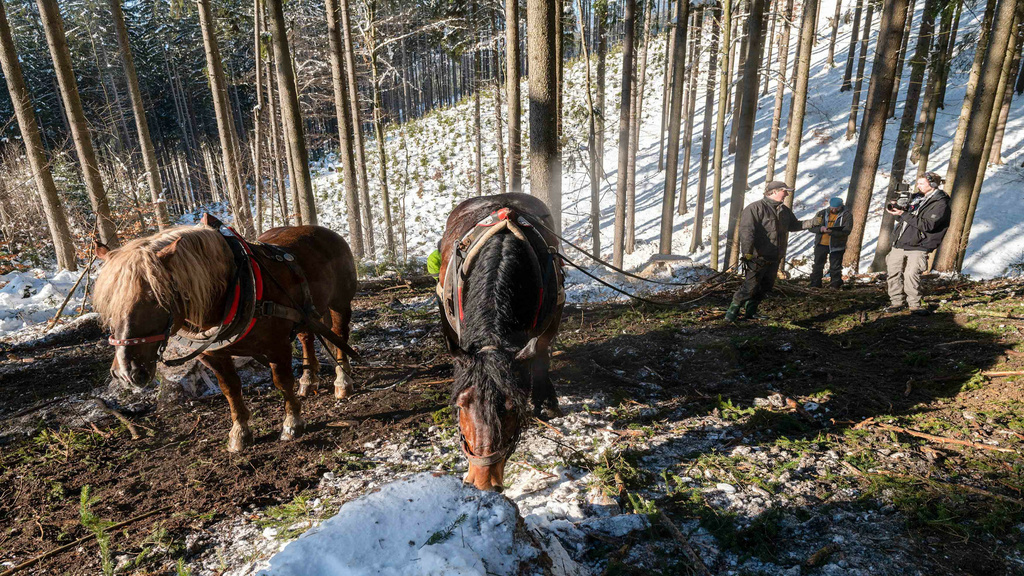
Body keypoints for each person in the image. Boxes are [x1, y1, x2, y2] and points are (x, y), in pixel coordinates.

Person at [725, 181, 820, 322]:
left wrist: (812, 222)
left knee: (765, 287)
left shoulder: (784, 210)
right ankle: (731, 314)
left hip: (774, 257)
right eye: (784, 190)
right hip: (757, 257)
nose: (787, 193)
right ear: (774, 191)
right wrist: (747, 252)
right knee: (750, 286)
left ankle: (750, 312)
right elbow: (747, 232)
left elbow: (794, 225)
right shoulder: (754, 208)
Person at [884, 171, 951, 315]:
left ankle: (914, 305)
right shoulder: (915, 198)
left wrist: (904, 214)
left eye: (922, 183)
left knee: (911, 274)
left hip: (920, 244)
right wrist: (898, 209)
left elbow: (928, 225)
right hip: (900, 242)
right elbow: (903, 220)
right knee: (893, 273)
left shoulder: (940, 203)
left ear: (932, 184)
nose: (918, 186)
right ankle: (896, 302)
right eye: (918, 183)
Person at [808, 197, 853, 289]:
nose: (833, 210)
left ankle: (835, 285)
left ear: (841, 206)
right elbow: (811, 227)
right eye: (832, 207)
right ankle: (815, 284)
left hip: (837, 246)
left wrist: (832, 232)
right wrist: (820, 229)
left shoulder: (847, 215)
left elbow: (846, 231)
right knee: (817, 265)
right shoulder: (822, 213)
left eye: (836, 208)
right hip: (821, 244)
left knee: (835, 267)